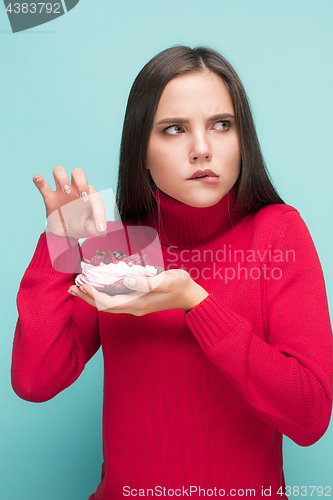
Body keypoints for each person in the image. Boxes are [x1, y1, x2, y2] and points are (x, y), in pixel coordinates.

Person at [12, 46, 333, 499]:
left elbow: (310, 415)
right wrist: (59, 242)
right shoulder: (117, 245)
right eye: (174, 129)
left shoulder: (277, 234)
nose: (202, 149)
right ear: (140, 150)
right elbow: (35, 380)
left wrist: (196, 303)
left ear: (243, 139)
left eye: (222, 125)